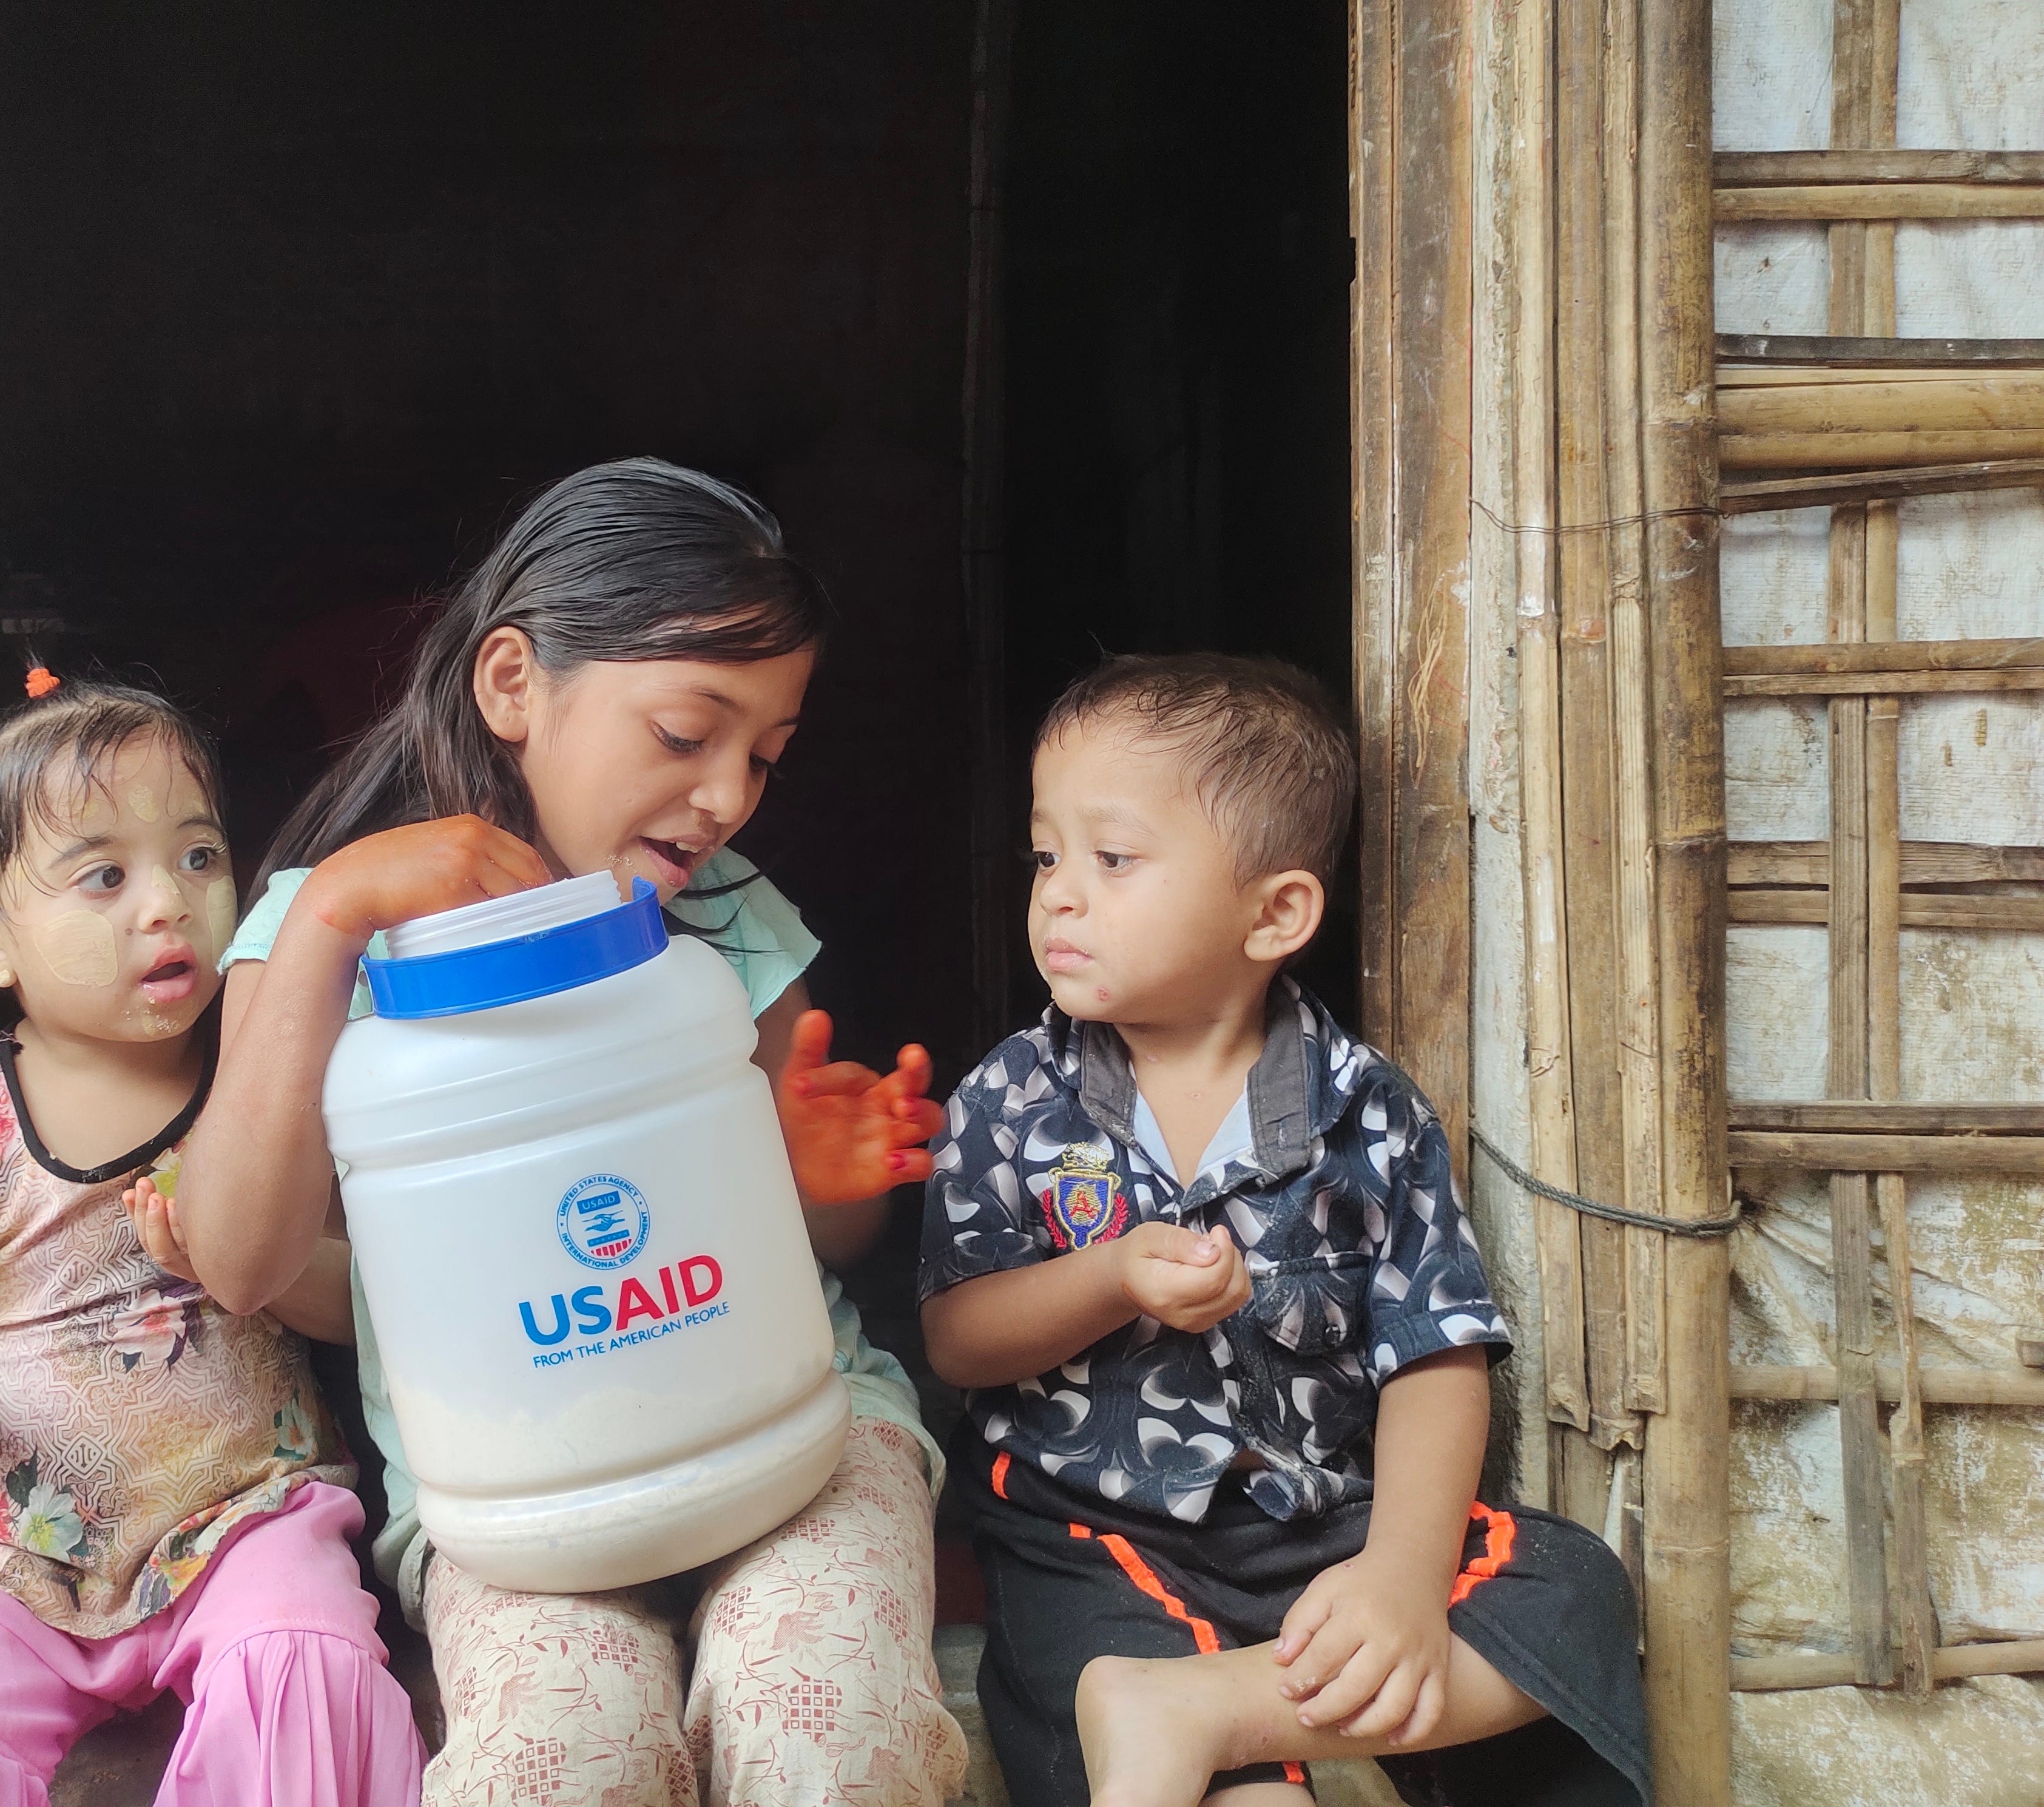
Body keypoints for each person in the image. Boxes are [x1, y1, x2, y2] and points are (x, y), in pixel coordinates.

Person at [156, 459, 970, 1807]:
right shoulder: (322, 933)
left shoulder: (727, 922)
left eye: (764, 755)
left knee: (827, 1728)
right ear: (513, 683)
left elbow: (828, 1240)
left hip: (799, 1441)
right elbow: (240, 1261)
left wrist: (820, 1178)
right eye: (686, 733)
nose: (728, 795)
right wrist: (330, 921)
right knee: (563, 1762)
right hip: (517, 1497)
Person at [919, 655, 1651, 1807]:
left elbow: (1436, 1353)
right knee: (1207, 1768)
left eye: (1113, 860)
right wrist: (1109, 1278)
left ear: (1275, 915)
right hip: (1092, 1537)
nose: (1059, 894)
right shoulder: (1010, 1100)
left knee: (1576, 1589)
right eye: (1047, 856)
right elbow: (958, 1341)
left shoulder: (1367, 1110)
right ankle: (1204, 1724)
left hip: (1321, 1525)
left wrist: (1401, 1573)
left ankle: (1217, 1708)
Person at [0, 674, 425, 1807]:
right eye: (105, 876)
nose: (168, 904)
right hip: (6, 1551)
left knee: (303, 1661)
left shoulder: (270, 1090)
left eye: (198, 857)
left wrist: (238, 1260)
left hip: (245, 1522)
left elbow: (370, 1312)